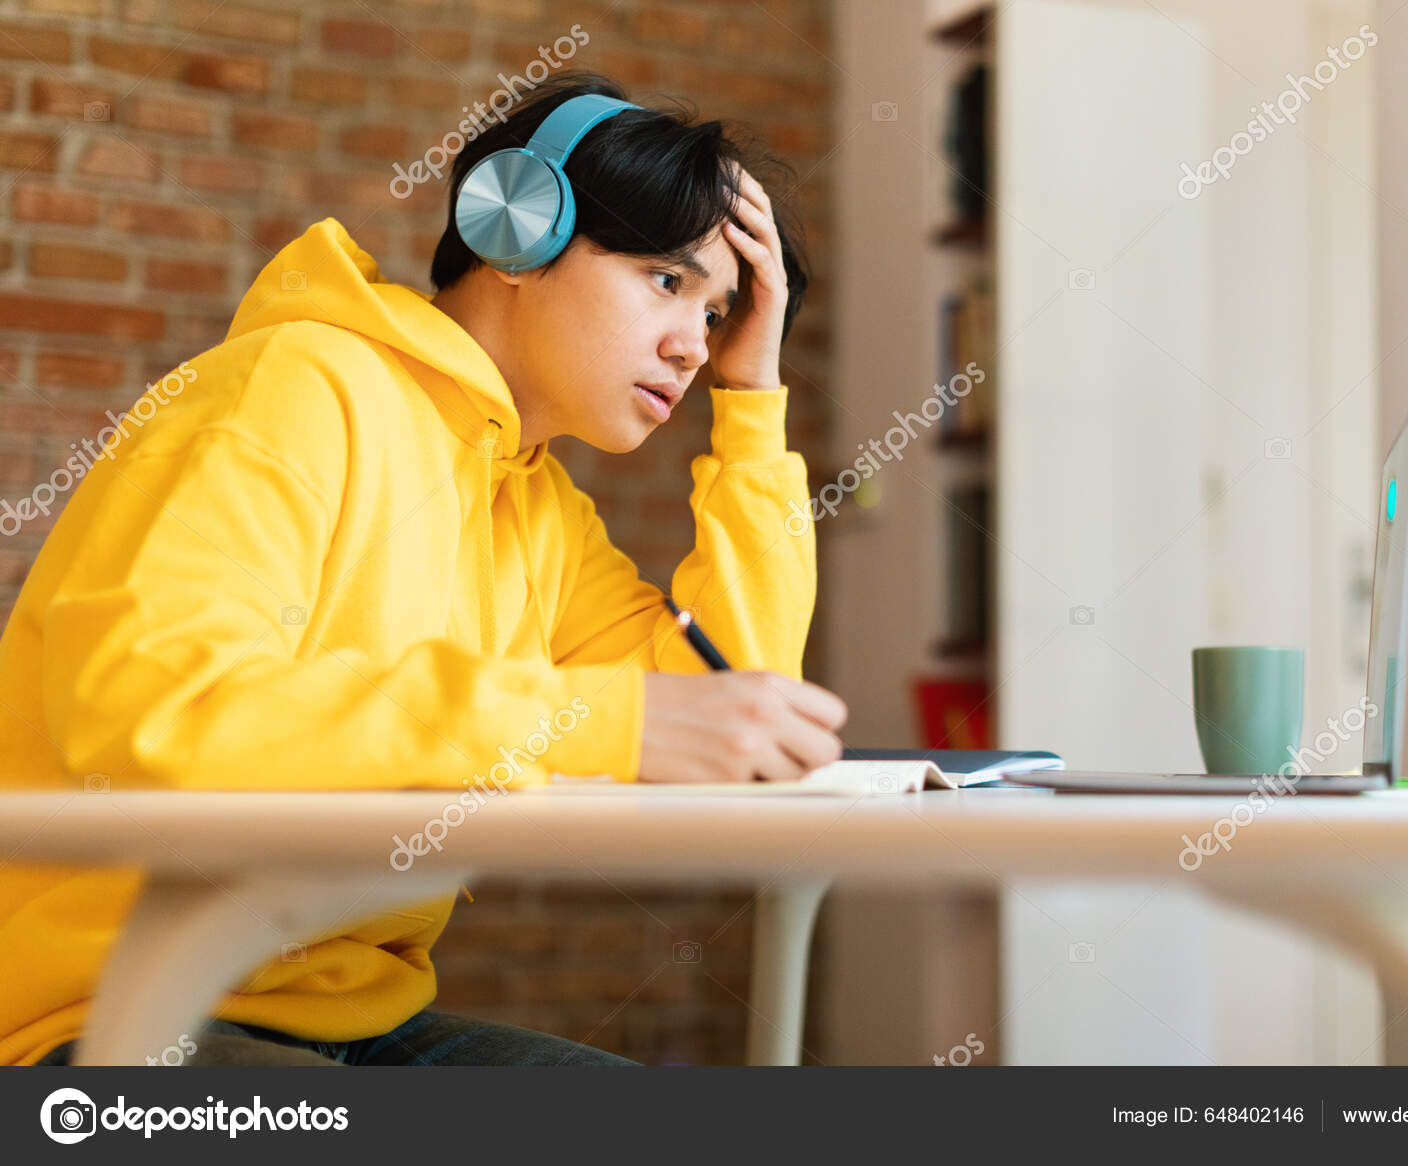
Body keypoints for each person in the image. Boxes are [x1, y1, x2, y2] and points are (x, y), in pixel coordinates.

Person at [1, 72, 847, 1067]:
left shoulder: (536, 506)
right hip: (115, 1015)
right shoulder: (296, 389)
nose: (690, 346)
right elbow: (148, 705)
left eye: (715, 317)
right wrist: (601, 719)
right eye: (668, 281)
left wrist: (754, 404)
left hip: (353, 1021)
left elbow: (722, 708)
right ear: (516, 231)